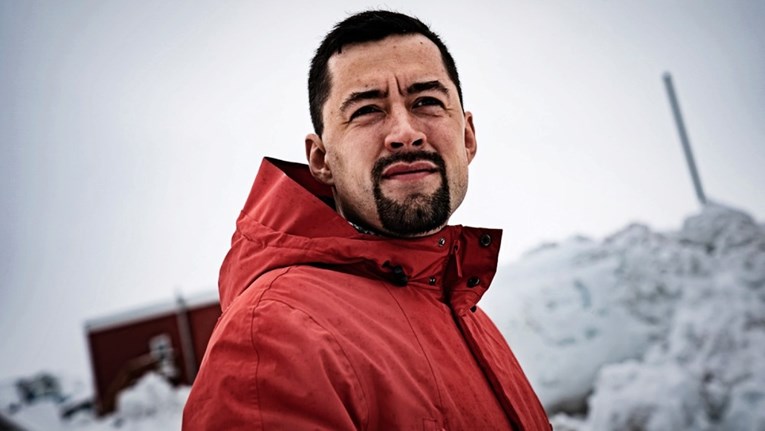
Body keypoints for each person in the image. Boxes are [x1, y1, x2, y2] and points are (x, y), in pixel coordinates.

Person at [183, 10, 550, 430]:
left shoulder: (461, 310)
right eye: (367, 110)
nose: (405, 133)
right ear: (321, 159)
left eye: (427, 102)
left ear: (467, 137)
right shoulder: (274, 331)